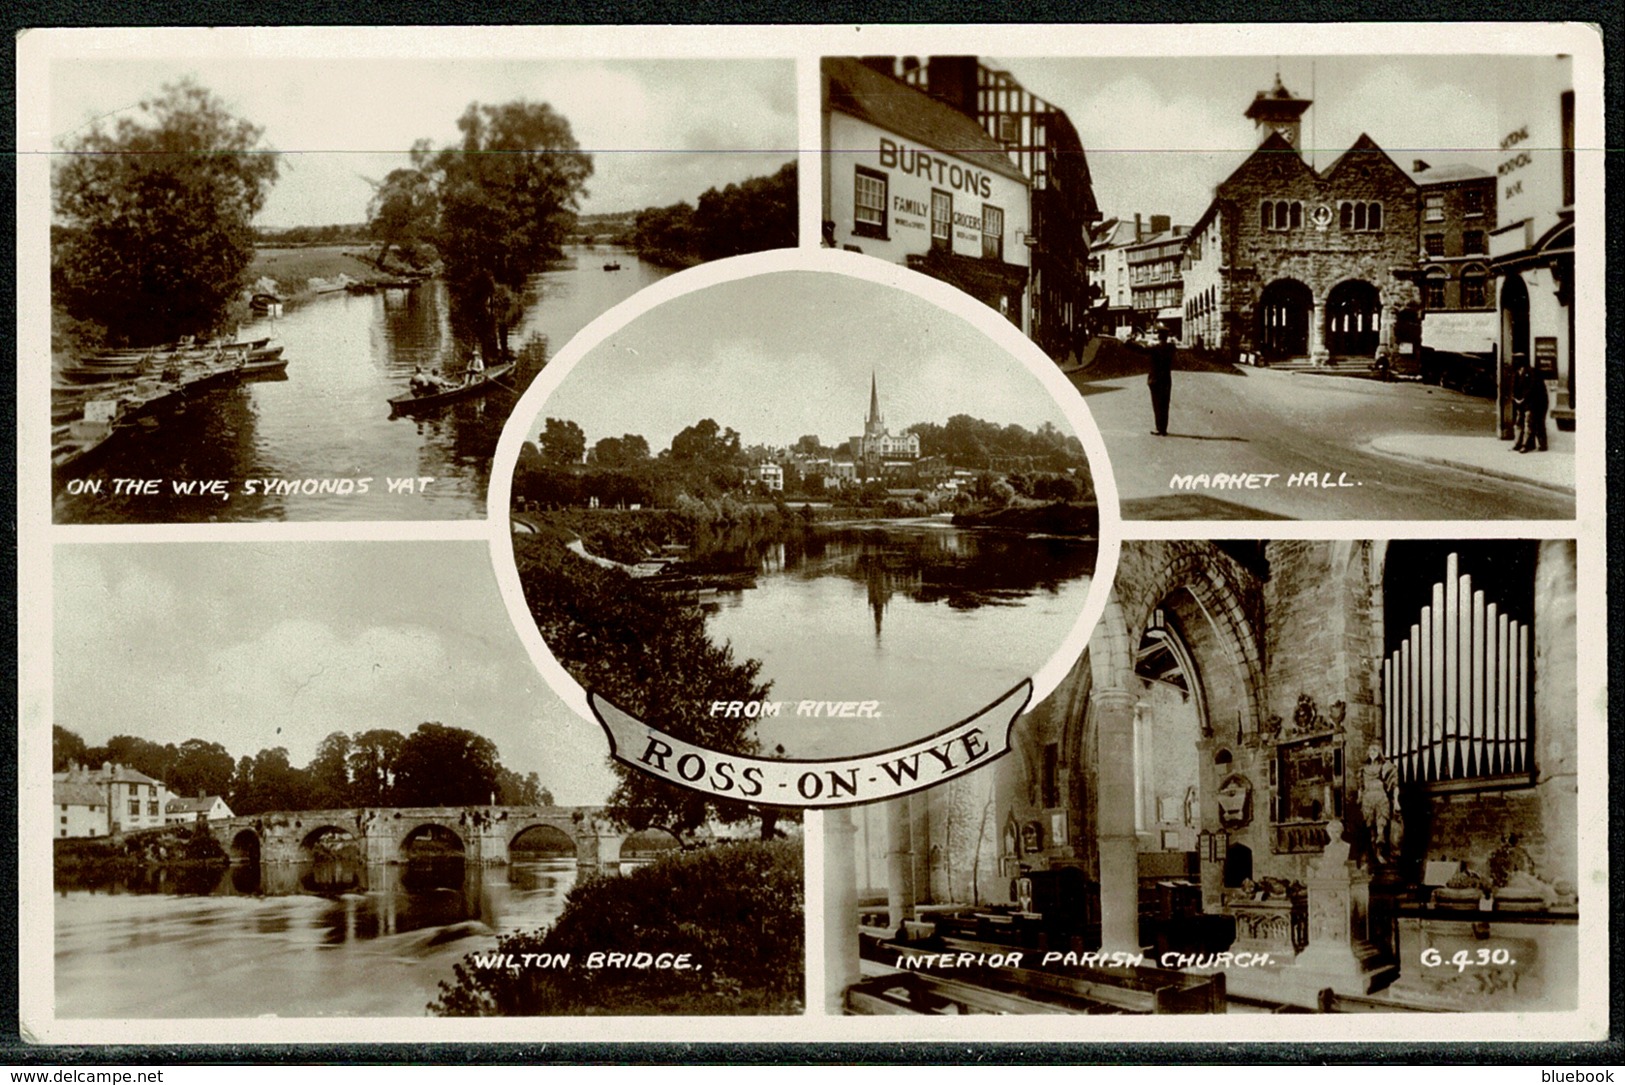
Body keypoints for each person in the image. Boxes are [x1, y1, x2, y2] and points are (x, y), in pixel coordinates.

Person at [1512, 361, 1549, 453]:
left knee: (1532, 423)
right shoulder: (1517, 373)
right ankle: (1520, 443)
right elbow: (1515, 388)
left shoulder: (1532, 372)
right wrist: (1517, 399)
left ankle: (1528, 445)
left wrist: (1522, 399)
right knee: (1520, 422)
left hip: (1535, 402)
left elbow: (1532, 389)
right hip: (1524, 402)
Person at [1146, 325, 1175, 436]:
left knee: (1157, 405)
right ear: (1166, 337)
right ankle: (1164, 429)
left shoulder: (1155, 349)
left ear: (1158, 336)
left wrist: (1127, 342)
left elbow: (1141, 350)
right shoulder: (1170, 348)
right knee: (1165, 404)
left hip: (1155, 380)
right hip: (1166, 380)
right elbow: (1172, 346)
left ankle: (1159, 428)